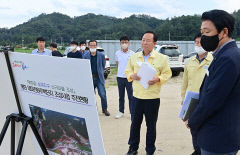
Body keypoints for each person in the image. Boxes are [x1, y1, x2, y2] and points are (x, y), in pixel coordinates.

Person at [187, 10, 240, 155]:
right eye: (201, 32)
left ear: (223, 32)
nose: (203, 36)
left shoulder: (228, 58)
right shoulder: (223, 54)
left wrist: (192, 120)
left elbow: (213, 99)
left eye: (207, 31)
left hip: (219, 138)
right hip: (217, 134)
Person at [125, 31, 172, 155]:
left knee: (151, 126)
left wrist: (158, 79)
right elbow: (127, 71)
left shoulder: (162, 58)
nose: (144, 43)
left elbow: (167, 73)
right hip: (136, 97)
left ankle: (150, 150)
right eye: (143, 40)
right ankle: (133, 148)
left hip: (152, 98)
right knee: (135, 124)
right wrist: (132, 75)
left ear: (154, 43)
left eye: (148, 40)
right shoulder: (134, 57)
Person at [181, 33, 213, 155]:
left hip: (206, 102)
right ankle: (197, 150)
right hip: (191, 102)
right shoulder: (189, 62)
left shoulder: (213, 60)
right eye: (196, 42)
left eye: (200, 42)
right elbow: (184, 83)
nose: (198, 45)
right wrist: (183, 99)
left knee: (206, 129)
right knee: (193, 128)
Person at [83, 40, 110, 116]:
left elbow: (103, 64)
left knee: (102, 94)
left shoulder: (101, 55)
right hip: (90, 78)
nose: (93, 47)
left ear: (96, 46)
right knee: (91, 95)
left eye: (94, 45)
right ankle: (93, 109)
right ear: (88, 46)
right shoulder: (85, 55)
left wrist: (100, 72)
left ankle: (104, 109)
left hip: (99, 78)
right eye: (91, 45)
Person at [115, 36, 134, 119]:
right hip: (120, 77)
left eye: (126, 42)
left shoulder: (132, 54)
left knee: (131, 96)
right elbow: (117, 64)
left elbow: (134, 66)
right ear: (120, 43)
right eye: (122, 42)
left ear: (128, 43)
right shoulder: (117, 53)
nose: (124, 44)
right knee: (121, 96)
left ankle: (132, 112)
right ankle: (121, 111)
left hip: (129, 77)